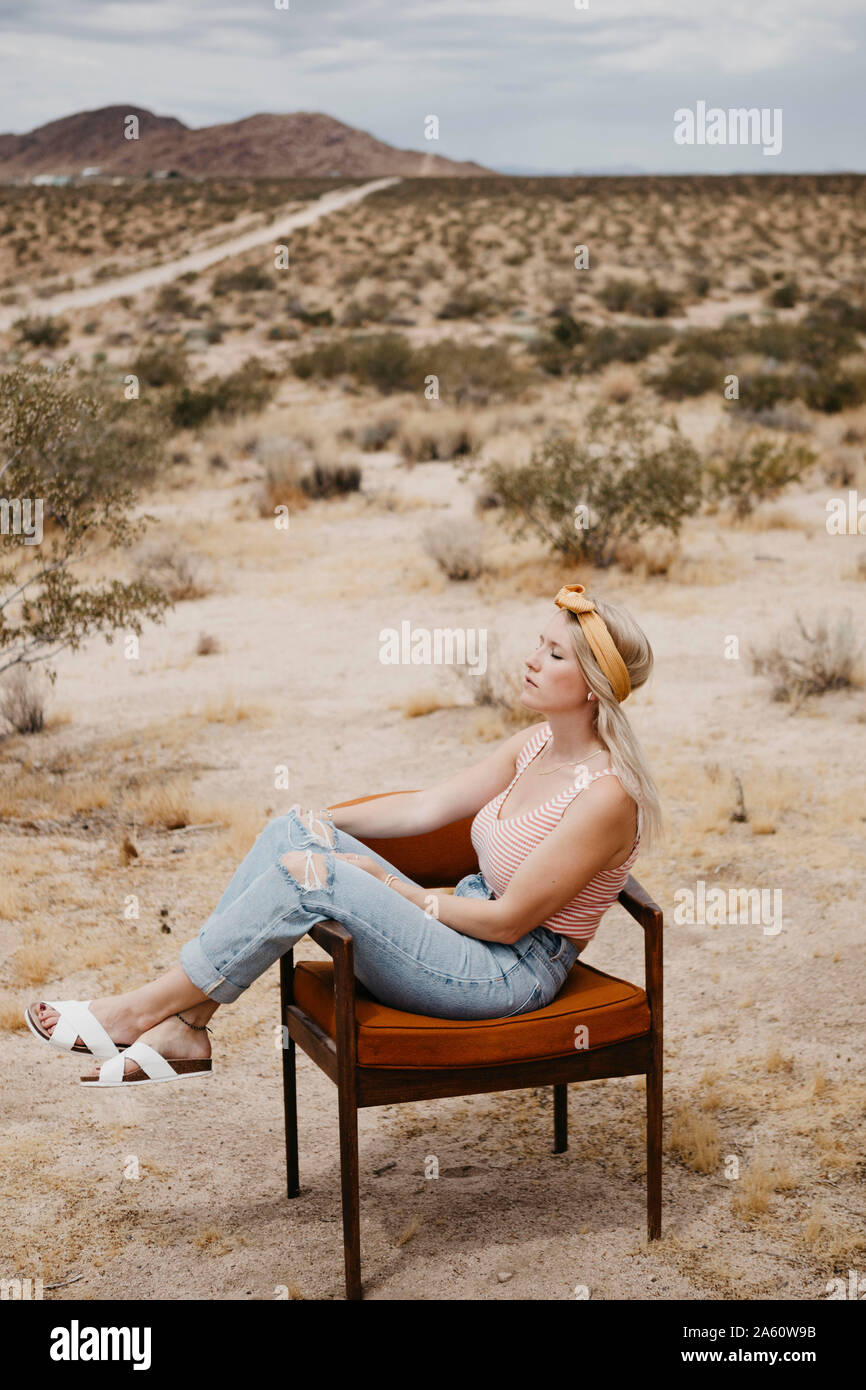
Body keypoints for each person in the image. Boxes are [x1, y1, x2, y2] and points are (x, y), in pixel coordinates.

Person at [26, 583, 663, 1086]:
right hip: (461, 928)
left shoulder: (607, 795)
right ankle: (188, 1025)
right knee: (291, 838)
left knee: (317, 879)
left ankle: (138, 1012)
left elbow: (507, 922)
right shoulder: (536, 744)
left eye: (555, 655)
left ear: (592, 687)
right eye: (538, 642)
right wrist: (323, 819)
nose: (531, 659)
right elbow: (426, 806)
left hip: (506, 971)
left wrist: (387, 883)